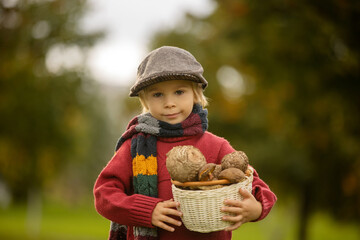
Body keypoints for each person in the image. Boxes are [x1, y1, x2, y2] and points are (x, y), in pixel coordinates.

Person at [94, 46, 277, 240]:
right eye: (158, 95)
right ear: (145, 101)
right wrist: (146, 210)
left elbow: (258, 188)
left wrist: (255, 209)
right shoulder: (135, 147)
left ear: (196, 94)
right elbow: (104, 194)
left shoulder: (217, 146)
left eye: (179, 92)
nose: (169, 102)